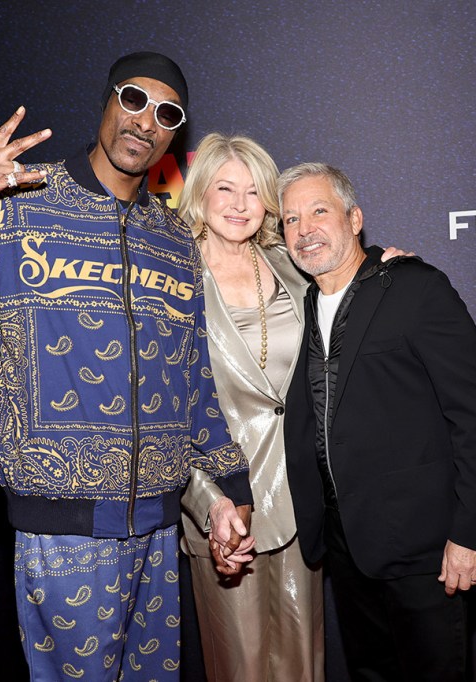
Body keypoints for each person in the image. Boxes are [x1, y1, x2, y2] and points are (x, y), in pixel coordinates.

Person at [0, 52, 254, 682]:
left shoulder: (173, 240)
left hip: (159, 524)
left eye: (166, 113)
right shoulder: (18, 210)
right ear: (106, 102)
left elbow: (193, 378)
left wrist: (232, 489)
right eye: (134, 100)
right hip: (63, 530)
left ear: (175, 135)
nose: (146, 122)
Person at [176, 134, 410, 682]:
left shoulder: (290, 264)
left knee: (304, 664)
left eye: (254, 193)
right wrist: (208, 501)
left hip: (305, 495)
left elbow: (348, 279)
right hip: (225, 502)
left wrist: (388, 267)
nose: (239, 204)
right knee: (242, 666)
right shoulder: (170, 277)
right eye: (225, 189)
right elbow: (162, 410)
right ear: (200, 195)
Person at [278, 162, 476, 681]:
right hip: (347, 543)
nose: (304, 229)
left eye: (319, 211)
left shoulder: (416, 289)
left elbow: (475, 417)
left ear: (354, 219)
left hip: (424, 545)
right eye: (291, 219)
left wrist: (471, 533)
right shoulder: (305, 303)